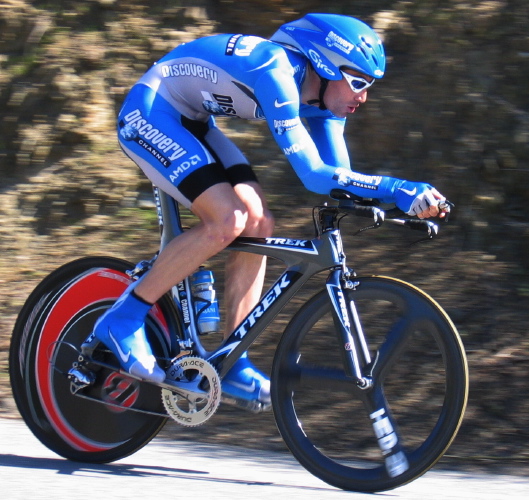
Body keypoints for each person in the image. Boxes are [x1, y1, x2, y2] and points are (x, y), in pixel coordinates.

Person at [89, 13, 449, 409]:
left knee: (259, 223)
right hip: (151, 112)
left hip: (192, 122)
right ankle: (123, 318)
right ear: (326, 65)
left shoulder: (324, 103)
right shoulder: (276, 72)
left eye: (370, 86)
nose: (363, 96)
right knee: (228, 219)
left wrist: (405, 205)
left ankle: (233, 361)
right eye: (358, 82)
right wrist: (398, 189)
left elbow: (340, 181)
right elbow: (314, 176)